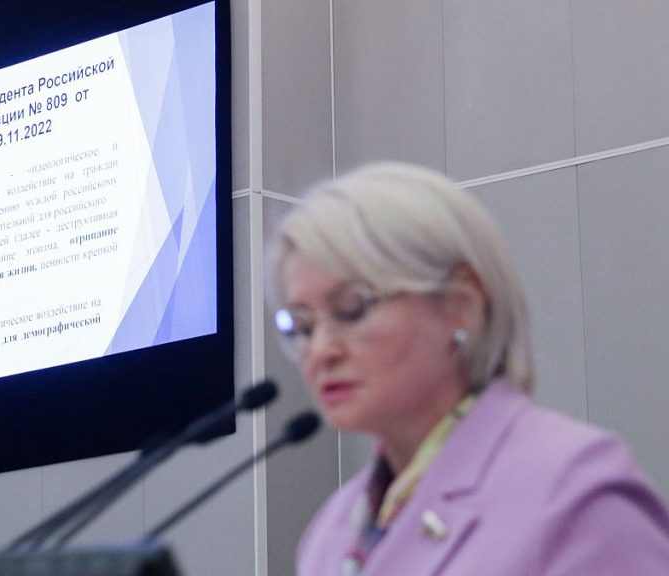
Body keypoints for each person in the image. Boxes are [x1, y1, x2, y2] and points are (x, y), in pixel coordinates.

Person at [270, 162, 669, 575]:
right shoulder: (331, 534)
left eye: (352, 308)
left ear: (461, 305)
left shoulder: (576, 495)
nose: (320, 350)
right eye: (302, 325)